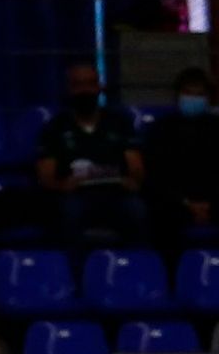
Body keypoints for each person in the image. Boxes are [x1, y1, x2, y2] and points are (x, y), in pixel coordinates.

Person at [36, 62, 148, 247]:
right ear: (70, 89)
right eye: (78, 85)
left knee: (137, 209)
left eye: (90, 84)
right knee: (69, 212)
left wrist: (132, 181)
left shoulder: (120, 123)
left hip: (116, 194)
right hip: (75, 195)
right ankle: (74, 271)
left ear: (99, 88)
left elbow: (136, 167)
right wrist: (62, 185)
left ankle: (136, 268)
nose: (85, 91)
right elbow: (46, 176)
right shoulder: (55, 127)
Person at [144, 66, 219, 246]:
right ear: (178, 95)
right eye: (188, 93)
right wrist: (186, 204)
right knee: (159, 213)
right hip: (174, 202)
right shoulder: (161, 129)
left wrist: (210, 204)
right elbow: (156, 174)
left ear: (208, 98)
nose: (193, 98)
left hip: (214, 200)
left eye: (199, 94)